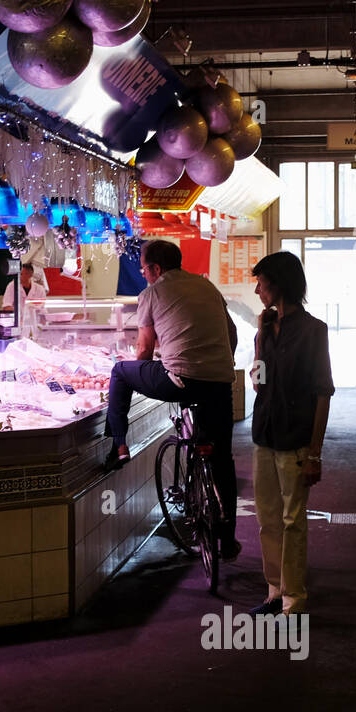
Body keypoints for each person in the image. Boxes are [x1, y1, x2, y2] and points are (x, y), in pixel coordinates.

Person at [104, 239, 241, 559]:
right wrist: (217, 366)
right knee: (223, 459)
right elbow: (231, 333)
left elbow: (143, 351)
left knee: (120, 372)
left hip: (179, 381)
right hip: (220, 383)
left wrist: (160, 362)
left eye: (143, 269)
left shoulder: (150, 294)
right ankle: (227, 540)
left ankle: (119, 446)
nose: (143, 275)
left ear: (154, 269)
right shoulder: (208, 288)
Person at [248, 251, 334, 618]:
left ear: (278, 285)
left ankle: (293, 604)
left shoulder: (314, 330)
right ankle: (274, 592)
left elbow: (323, 392)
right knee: (268, 519)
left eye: (262, 283)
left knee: (292, 522)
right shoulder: (266, 330)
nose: (257, 290)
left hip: (295, 440)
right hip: (264, 435)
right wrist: (257, 342)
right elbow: (259, 385)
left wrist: (315, 452)